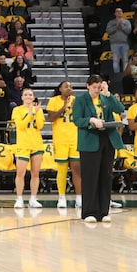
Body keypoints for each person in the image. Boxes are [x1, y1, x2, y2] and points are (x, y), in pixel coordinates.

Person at [72, 75, 127, 223]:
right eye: (94, 87)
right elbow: (76, 119)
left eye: (99, 87)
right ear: (88, 86)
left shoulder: (105, 98)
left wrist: (108, 94)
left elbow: (120, 109)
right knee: (90, 177)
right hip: (90, 140)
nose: (97, 90)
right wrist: (91, 120)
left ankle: (104, 211)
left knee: (105, 176)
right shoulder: (81, 100)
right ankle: (89, 211)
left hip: (107, 139)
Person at [46, 80, 82, 209]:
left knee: (77, 170)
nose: (69, 88)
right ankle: (61, 197)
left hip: (75, 139)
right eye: (66, 86)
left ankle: (79, 198)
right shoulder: (54, 101)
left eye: (71, 86)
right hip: (60, 140)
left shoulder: (77, 100)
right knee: (61, 171)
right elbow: (50, 119)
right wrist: (64, 107)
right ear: (60, 89)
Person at [12, 88, 45, 209]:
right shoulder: (17, 110)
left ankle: (33, 198)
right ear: (22, 97)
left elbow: (40, 126)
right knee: (20, 172)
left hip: (36, 143)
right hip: (23, 144)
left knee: (35, 173)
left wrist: (35, 113)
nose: (28, 96)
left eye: (30, 95)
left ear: (33, 97)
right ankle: (19, 198)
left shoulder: (38, 110)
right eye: (25, 94)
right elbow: (20, 126)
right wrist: (30, 114)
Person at [105, 8, 131, 74]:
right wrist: (116, 25)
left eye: (120, 11)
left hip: (125, 43)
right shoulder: (111, 22)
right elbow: (109, 31)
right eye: (117, 11)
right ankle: (116, 74)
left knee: (125, 60)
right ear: (115, 13)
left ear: (122, 13)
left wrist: (121, 24)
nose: (119, 13)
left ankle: (125, 73)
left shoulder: (126, 22)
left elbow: (128, 31)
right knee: (116, 60)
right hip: (114, 44)